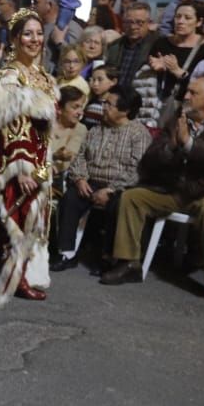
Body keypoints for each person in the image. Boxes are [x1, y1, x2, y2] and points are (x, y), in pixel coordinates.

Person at [101, 73, 204, 306]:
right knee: (132, 197)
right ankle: (128, 262)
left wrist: (189, 143)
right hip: (175, 190)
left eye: (193, 92)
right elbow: (151, 157)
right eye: (187, 91)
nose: (186, 96)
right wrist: (172, 145)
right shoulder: (178, 119)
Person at [0, 8, 58, 303]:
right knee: (18, 216)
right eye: (27, 34)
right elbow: (10, 125)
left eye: (39, 33)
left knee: (35, 217)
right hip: (19, 159)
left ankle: (24, 273)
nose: (35, 39)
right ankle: (10, 278)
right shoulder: (11, 76)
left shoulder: (43, 76)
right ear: (14, 39)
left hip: (42, 155)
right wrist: (22, 167)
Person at [55, 85, 152, 272]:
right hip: (91, 182)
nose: (104, 107)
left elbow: (137, 169)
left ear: (125, 110)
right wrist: (80, 179)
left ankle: (107, 258)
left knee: (119, 203)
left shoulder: (138, 133)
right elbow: (80, 157)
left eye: (109, 104)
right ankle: (67, 253)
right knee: (71, 198)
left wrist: (111, 189)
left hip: (119, 187)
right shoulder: (96, 130)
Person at [105, 0, 167, 92]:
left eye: (139, 22)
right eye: (129, 22)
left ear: (149, 23)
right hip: (116, 99)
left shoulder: (158, 45)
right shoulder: (115, 45)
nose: (133, 27)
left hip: (142, 100)